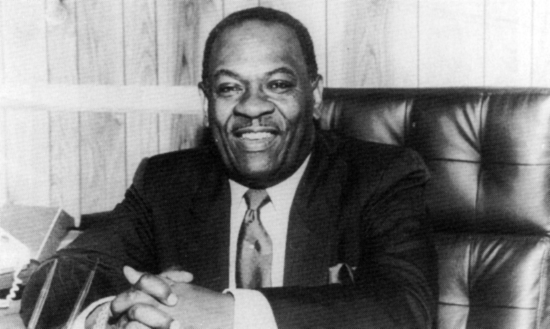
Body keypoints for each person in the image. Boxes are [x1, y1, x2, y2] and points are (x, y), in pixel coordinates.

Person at [21, 7, 437, 328]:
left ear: (315, 94)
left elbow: (405, 306)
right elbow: (69, 269)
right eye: (229, 88)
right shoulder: (166, 183)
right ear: (206, 103)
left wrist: (228, 313)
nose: (252, 106)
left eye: (277, 85)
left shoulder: (381, 175)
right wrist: (106, 314)